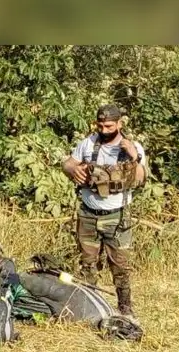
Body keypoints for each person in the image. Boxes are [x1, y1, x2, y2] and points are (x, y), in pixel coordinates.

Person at [60, 103, 147, 321]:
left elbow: (140, 179)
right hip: (88, 214)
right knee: (88, 265)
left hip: (116, 217)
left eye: (109, 125)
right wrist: (72, 169)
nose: (104, 129)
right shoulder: (88, 143)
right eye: (100, 125)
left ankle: (125, 309)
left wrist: (134, 157)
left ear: (119, 123)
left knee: (120, 267)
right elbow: (67, 164)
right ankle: (91, 309)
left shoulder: (131, 147)